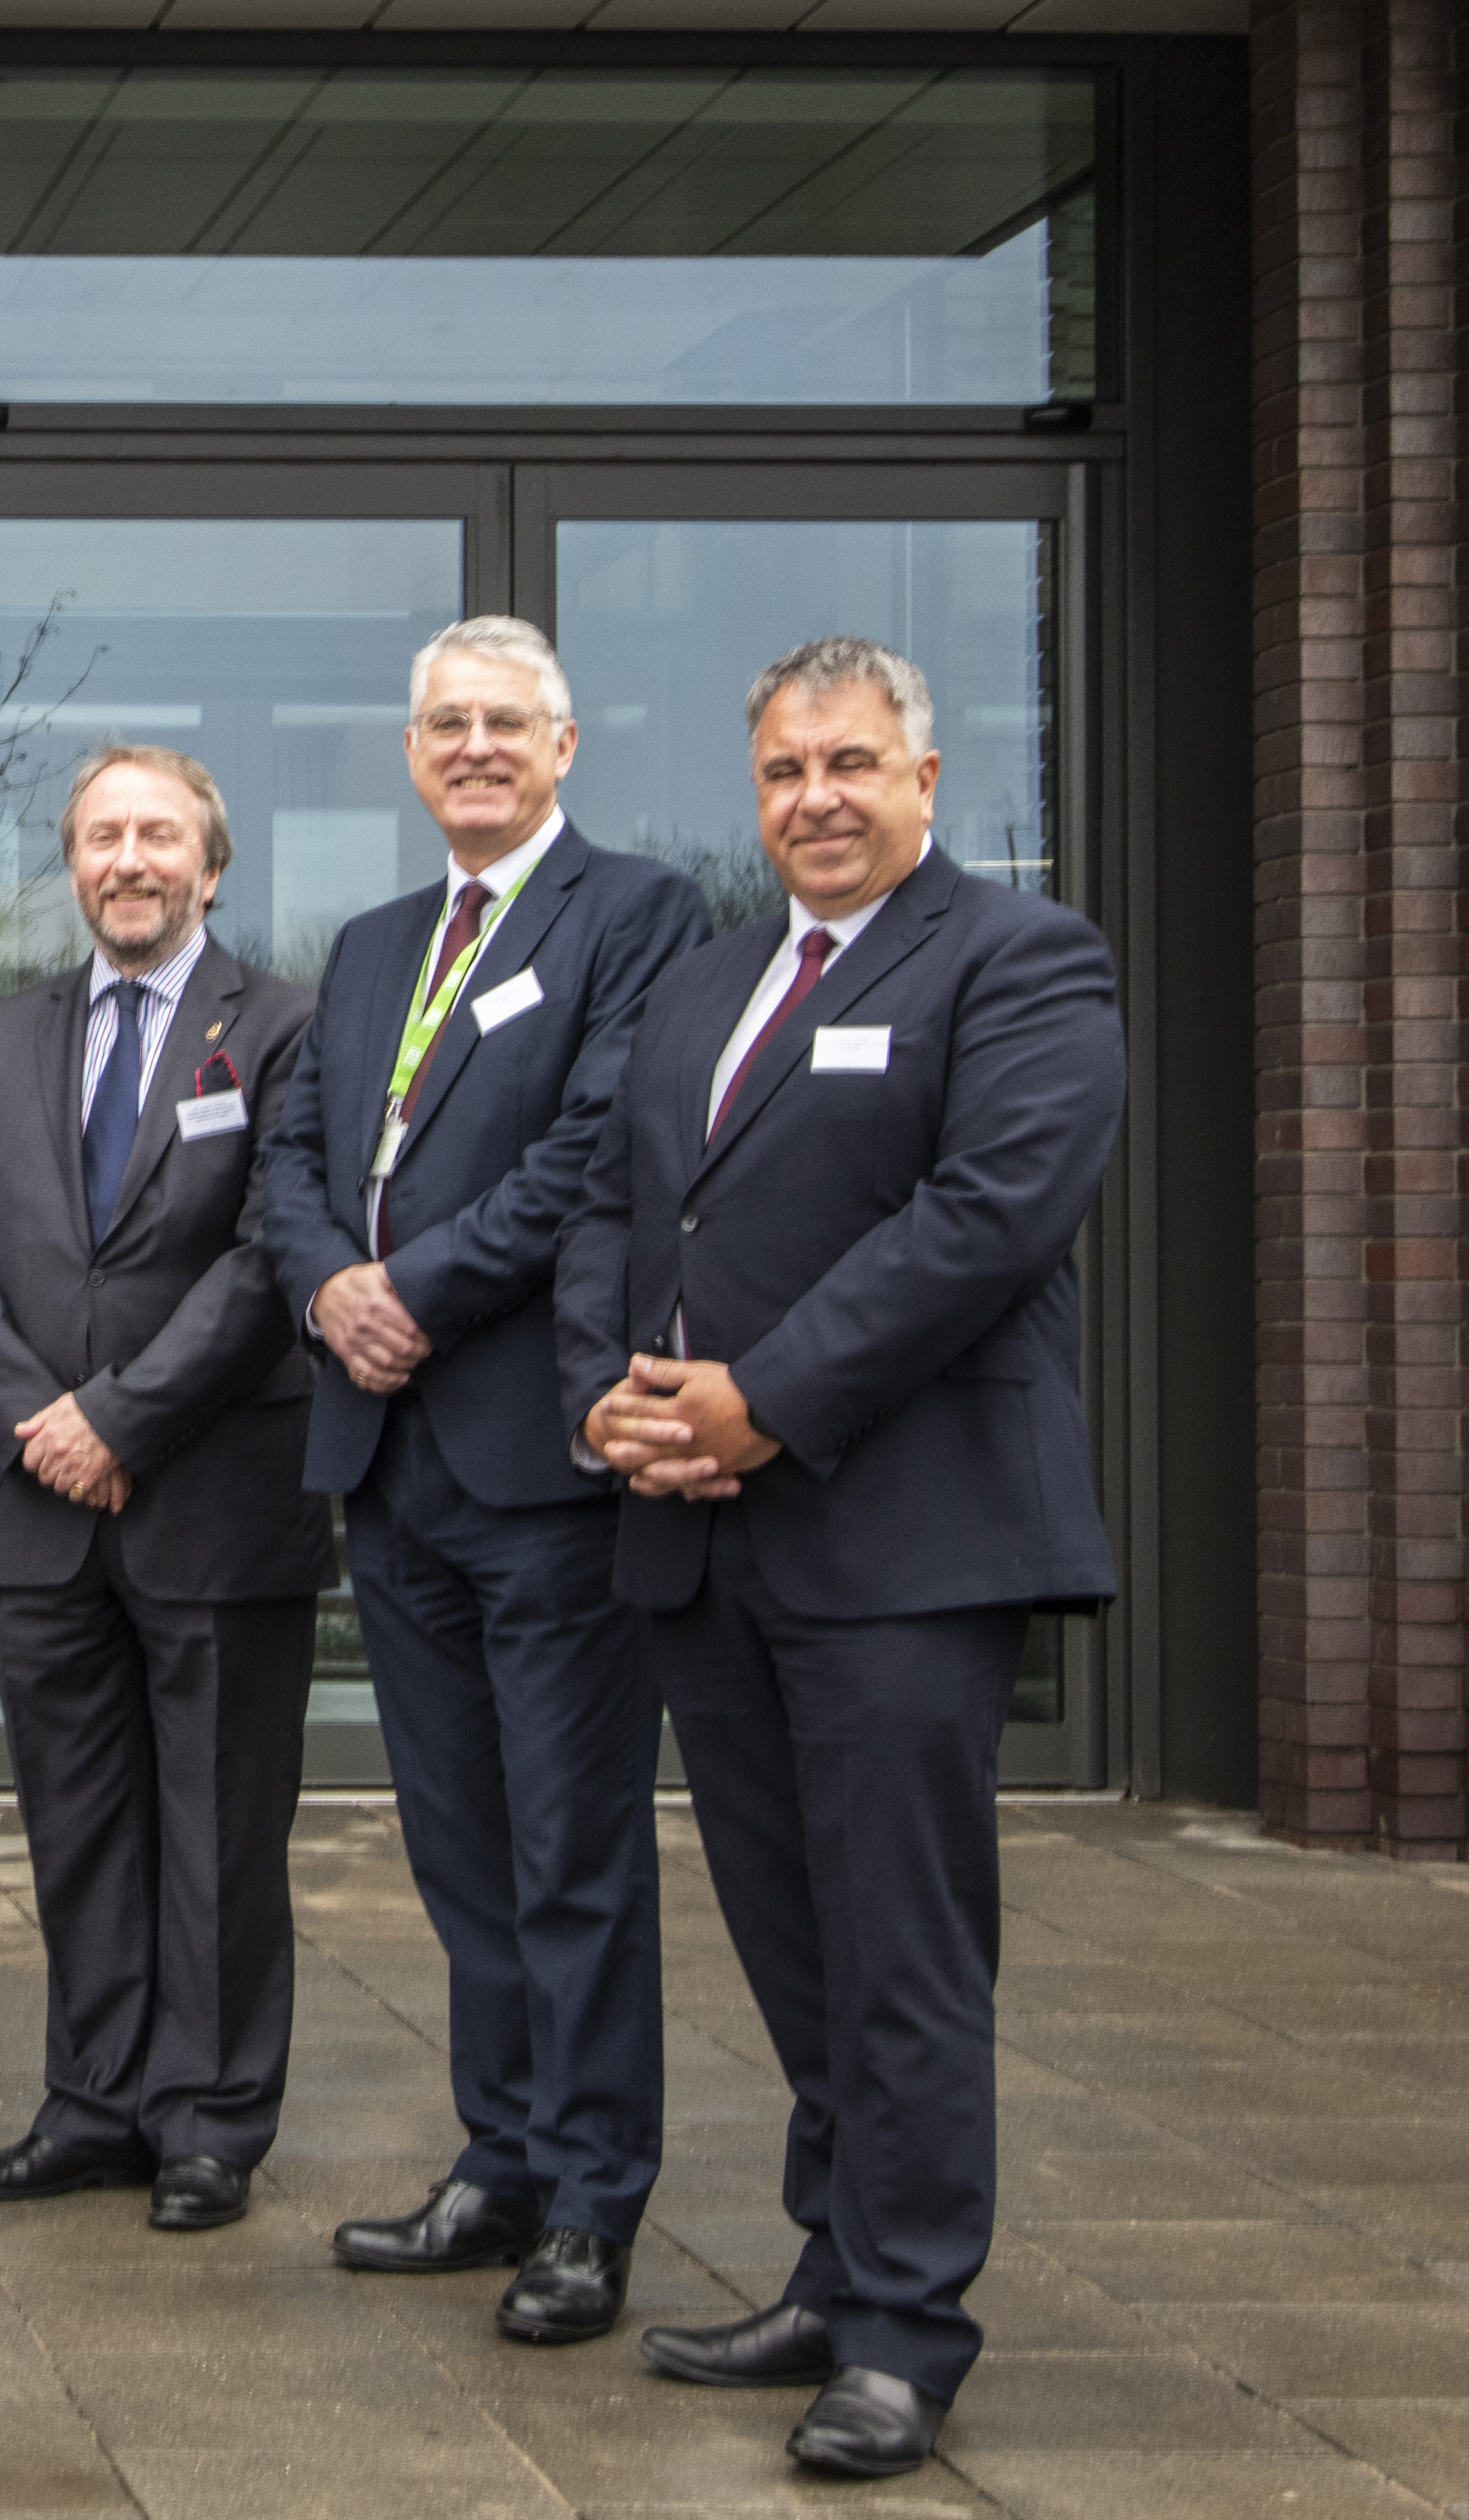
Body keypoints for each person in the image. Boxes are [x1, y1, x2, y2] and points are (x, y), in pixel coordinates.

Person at [564, 637, 1123, 2484]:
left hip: (900, 1541)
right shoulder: (712, 981)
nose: (817, 796)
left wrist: (761, 1403)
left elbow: (983, 1223)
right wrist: (610, 1406)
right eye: (788, 770)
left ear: (926, 782)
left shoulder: (1024, 963)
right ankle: (832, 2266)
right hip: (706, 1549)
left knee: (901, 1953)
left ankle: (906, 2329)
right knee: (795, 1945)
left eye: (853, 765)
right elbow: (625, 1213)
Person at [251, 613, 703, 2347]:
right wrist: (325, 1287)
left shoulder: (639, 918)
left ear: (565, 745)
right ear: (413, 750)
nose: (474, 749)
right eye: (446, 725)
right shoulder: (369, 945)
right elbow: (298, 1160)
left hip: (540, 1459)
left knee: (573, 1848)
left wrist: (415, 1290)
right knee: (456, 1843)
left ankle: (593, 2203)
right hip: (393, 1463)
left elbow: (599, 1149)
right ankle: (499, 2157)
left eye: (505, 723)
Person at [0, 743, 324, 2237]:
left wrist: (123, 1419)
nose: (128, 860)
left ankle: (209, 2115)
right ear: (71, 866)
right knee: (76, 1820)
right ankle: (92, 2100)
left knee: (218, 1829)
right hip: (39, 1502)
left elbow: (274, 1255)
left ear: (211, 865)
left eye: (158, 835)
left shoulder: (284, 1030)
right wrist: (40, 1422)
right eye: (102, 836)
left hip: (213, 1490)